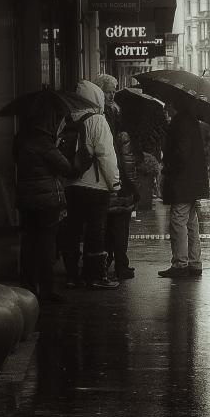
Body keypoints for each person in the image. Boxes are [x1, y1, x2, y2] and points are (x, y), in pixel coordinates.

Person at [61, 80, 122, 290]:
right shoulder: (98, 120)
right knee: (96, 231)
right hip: (95, 187)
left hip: (71, 185)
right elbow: (106, 156)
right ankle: (96, 274)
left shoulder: (67, 119)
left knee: (73, 229)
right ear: (97, 98)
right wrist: (115, 184)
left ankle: (71, 275)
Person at [13, 109, 72, 305]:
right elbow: (65, 167)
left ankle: (28, 289)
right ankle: (46, 291)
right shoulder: (43, 141)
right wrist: (58, 146)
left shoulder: (19, 140)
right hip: (46, 201)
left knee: (28, 244)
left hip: (25, 198)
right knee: (46, 245)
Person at [92, 73, 138, 281]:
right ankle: (119, 265)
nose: (112, 94)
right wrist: (127, 184)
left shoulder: (103, 116)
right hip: (114, 180)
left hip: (106, 180)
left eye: (113, 90)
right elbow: (119, 157)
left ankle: (109, 263)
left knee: (107, 227)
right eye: (109, 91)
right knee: (118, 226)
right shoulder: (108, 119)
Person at [158, 98, 210, 278]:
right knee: (191, 222)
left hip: (183, 181)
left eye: (167, 105)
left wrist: (167, 169)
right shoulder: (190, 120)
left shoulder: (181, 123)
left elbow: (181, 154)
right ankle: (194, 262)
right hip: (192, 181)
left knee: (178, 221)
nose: (165, 109)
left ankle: (180, 263)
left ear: (173, 104)